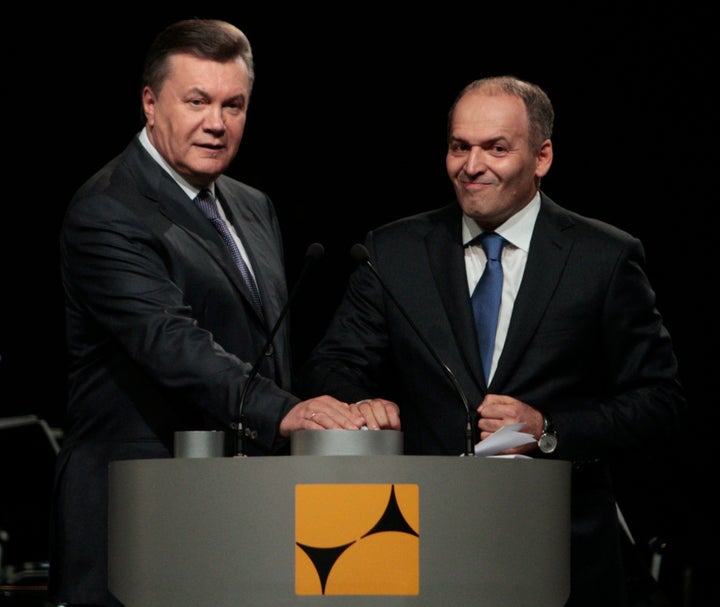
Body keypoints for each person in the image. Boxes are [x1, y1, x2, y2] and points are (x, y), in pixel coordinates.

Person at [297, 75, 687, 606]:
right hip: (412, 541)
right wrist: (358, 402)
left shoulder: (605, 258)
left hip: (559, 550)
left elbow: (659, 403)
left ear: (542, 156)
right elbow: (334, 363)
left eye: (496, 148)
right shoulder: (393, 251)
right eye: (460, 146)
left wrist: (548, 429)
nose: (471, 165)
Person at [48, 18, 399, 607]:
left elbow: (268, 350)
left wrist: (340, 409)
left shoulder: (251, 204)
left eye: (234, 105)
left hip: (243, 509)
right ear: (150, 103)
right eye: (197, 101)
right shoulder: (107, 211)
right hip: (140, 509)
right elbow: (170, 343)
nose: (217, 123)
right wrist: (288, 412)